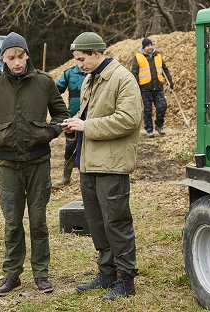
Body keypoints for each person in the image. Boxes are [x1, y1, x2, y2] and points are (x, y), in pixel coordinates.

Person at [0, 32, 69, 296]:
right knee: (12, 222)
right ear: (3, 59)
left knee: (38, 221)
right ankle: (12, 274)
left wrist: (47, 133)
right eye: (10, 57)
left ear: (27, 55)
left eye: (20, 56)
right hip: (8, 166)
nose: (16, 62)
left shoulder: (44, 83)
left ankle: (41, 274)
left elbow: (61, 114)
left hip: (38, 164)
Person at [61, 32, 142, 301]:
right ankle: (107, 273)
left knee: (116, 223)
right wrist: (74, 124)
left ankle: (125, 279)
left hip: (112, 166)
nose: (78, 65)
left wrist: (87, 126)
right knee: (97, 223)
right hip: (89, 163)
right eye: (76, 60)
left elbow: (128, 119)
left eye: (81, 59)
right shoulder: (89, 79)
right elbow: (88, 117)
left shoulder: (123, 79)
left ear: (97, 53)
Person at [131, 37, 173, 138]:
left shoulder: (158, 56)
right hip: (145, 88)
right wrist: (135, 86)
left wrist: (170, 81)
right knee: (147, 110)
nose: (149, 47)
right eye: (147, 46)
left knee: (162, 106)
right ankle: (149, 130)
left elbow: (165, 70)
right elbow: (134, 73)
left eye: (150, 45)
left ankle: (159, 125)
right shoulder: (138, 57)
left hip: (158, 87)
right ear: (143, 47)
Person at [53, 64, 87, 187]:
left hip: (91, 119)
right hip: (73, 117)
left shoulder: (94, 72)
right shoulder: (69, 73)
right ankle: (66, 176)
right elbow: (56, 91)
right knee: (70, 147)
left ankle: (88, 178)